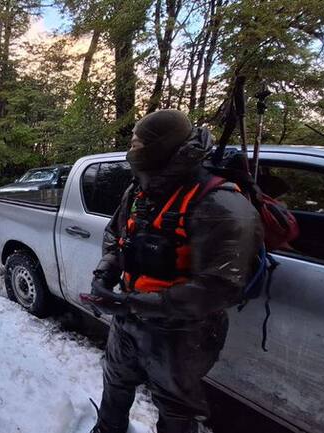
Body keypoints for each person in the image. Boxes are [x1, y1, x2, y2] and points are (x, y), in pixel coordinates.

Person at [86, 109, 263, 433]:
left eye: (137, 143)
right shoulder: (139, 189)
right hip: (128, 319)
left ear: (161, 147)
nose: (131, 148)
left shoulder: (218, 204)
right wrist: (105, 274)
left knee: (175, 409)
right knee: (115, 380)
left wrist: (134, 303)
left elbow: (220, 287)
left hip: (182, 333)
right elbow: (116, 235)